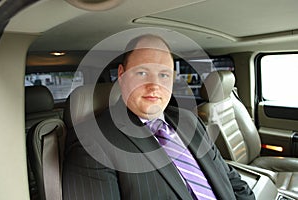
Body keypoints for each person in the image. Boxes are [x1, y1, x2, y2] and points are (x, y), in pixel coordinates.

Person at [62, 34, 255, 200]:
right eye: (142, 72)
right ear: (121, 75)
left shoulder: (189, 120)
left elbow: (231, 180)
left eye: (163, 75)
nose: (154, 86)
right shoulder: (92, 142)